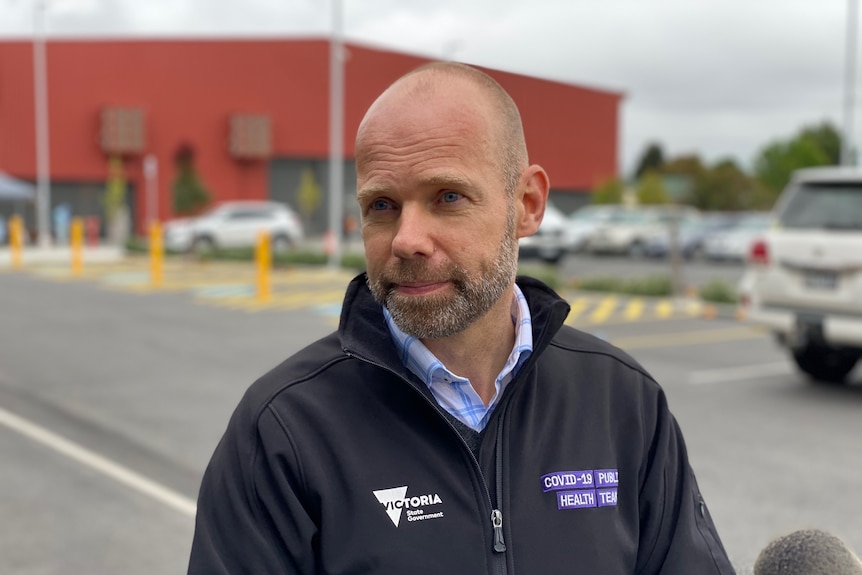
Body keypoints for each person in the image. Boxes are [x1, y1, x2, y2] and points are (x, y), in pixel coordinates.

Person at [188, 61, 736, 574]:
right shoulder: (284, 429)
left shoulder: (623, 403)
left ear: (527, 205)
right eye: (382, 206)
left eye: (447, 197)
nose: (406, 240)